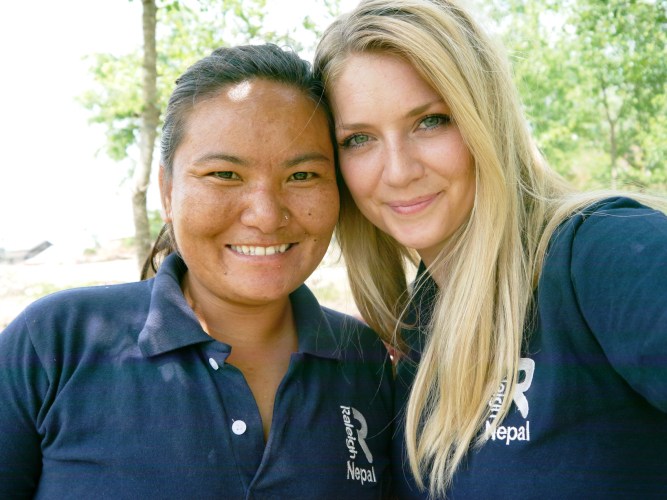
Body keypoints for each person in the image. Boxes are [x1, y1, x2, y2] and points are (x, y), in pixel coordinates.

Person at [0, 43, 393, 499]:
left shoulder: (364, 360)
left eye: (302, 175)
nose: (266, 216)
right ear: (168, 192)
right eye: (225, 175)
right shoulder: (56, 342)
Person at [314, 0, 667, 498]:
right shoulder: (414, 331)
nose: (398, 171)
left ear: (485, 116)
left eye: (431, 121)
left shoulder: (603, 252)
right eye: (358, 139)